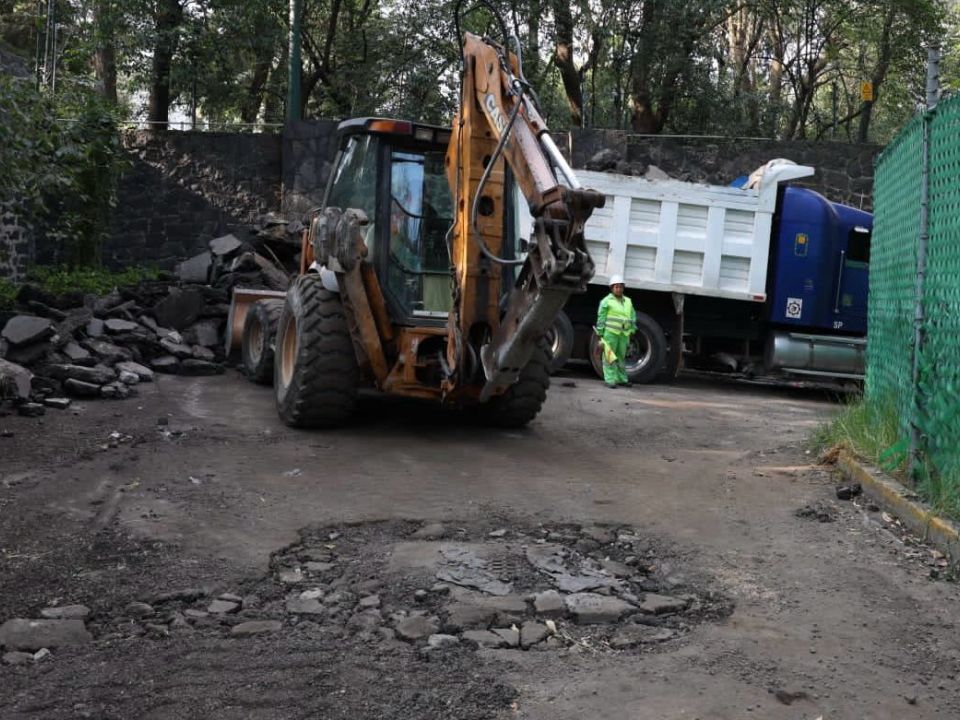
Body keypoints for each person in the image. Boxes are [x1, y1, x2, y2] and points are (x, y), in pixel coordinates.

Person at [595, 275, 636, 388]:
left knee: (621, 357)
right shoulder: (606, 301)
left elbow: (632, 316)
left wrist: (632, 329)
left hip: (623, 334)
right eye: (616, 287)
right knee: (609, 357)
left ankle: (622, 379)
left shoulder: (628, 301)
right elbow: (601, 317)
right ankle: (610, 379)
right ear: (612, 288)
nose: (619, 289)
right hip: (610, 333)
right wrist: (600, 332)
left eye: (621, 287)